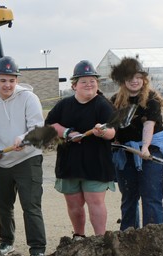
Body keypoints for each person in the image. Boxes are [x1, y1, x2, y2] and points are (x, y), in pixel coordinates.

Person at [0, 57, 46, 256]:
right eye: (3, 80)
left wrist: (23, 138)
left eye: (11, 80)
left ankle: (37, 249)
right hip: (2, 162)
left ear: (16, 80)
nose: (7, 85)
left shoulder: (29, 98)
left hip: (28, 158)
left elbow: (37, 127)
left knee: (30, 205)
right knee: (3, 206)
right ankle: (6, 242)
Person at [110, 57, 163, 231]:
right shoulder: (115, 100)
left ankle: (154, 234)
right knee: (129, 196)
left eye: (138, 77)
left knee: (151, 195)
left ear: (143, 79)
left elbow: (149, 125)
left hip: (151, 150)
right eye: (129, 77)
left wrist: (144, 148)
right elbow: (112, 127)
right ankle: (128, 234)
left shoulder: (151, 99)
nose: (134, 81)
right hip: (126, 151)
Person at [44, 60, 115, 238]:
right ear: (74, 85)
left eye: (92, 81)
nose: (89, 84)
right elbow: (50, 125)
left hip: (96, 163)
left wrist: (102, 131)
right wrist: (67, 132)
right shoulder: (64, 105)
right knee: (74, 205)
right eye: (84, 81)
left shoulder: (103, 105)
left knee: (95, 202)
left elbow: (113, 132)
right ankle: (79, 236)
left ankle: (100, 239)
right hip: (69, 163)